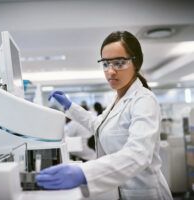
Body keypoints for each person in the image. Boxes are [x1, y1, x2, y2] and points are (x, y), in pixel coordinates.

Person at [36, 31, 173, 200]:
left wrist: (84, 173)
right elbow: (98, 125)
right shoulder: (117, 99)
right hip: (120, 191)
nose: (110, 71)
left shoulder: (144, 100)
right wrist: (70, 107)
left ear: (136, 63)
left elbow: (139, 154)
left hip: (143, 192)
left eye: (119, 63)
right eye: (106, 64)